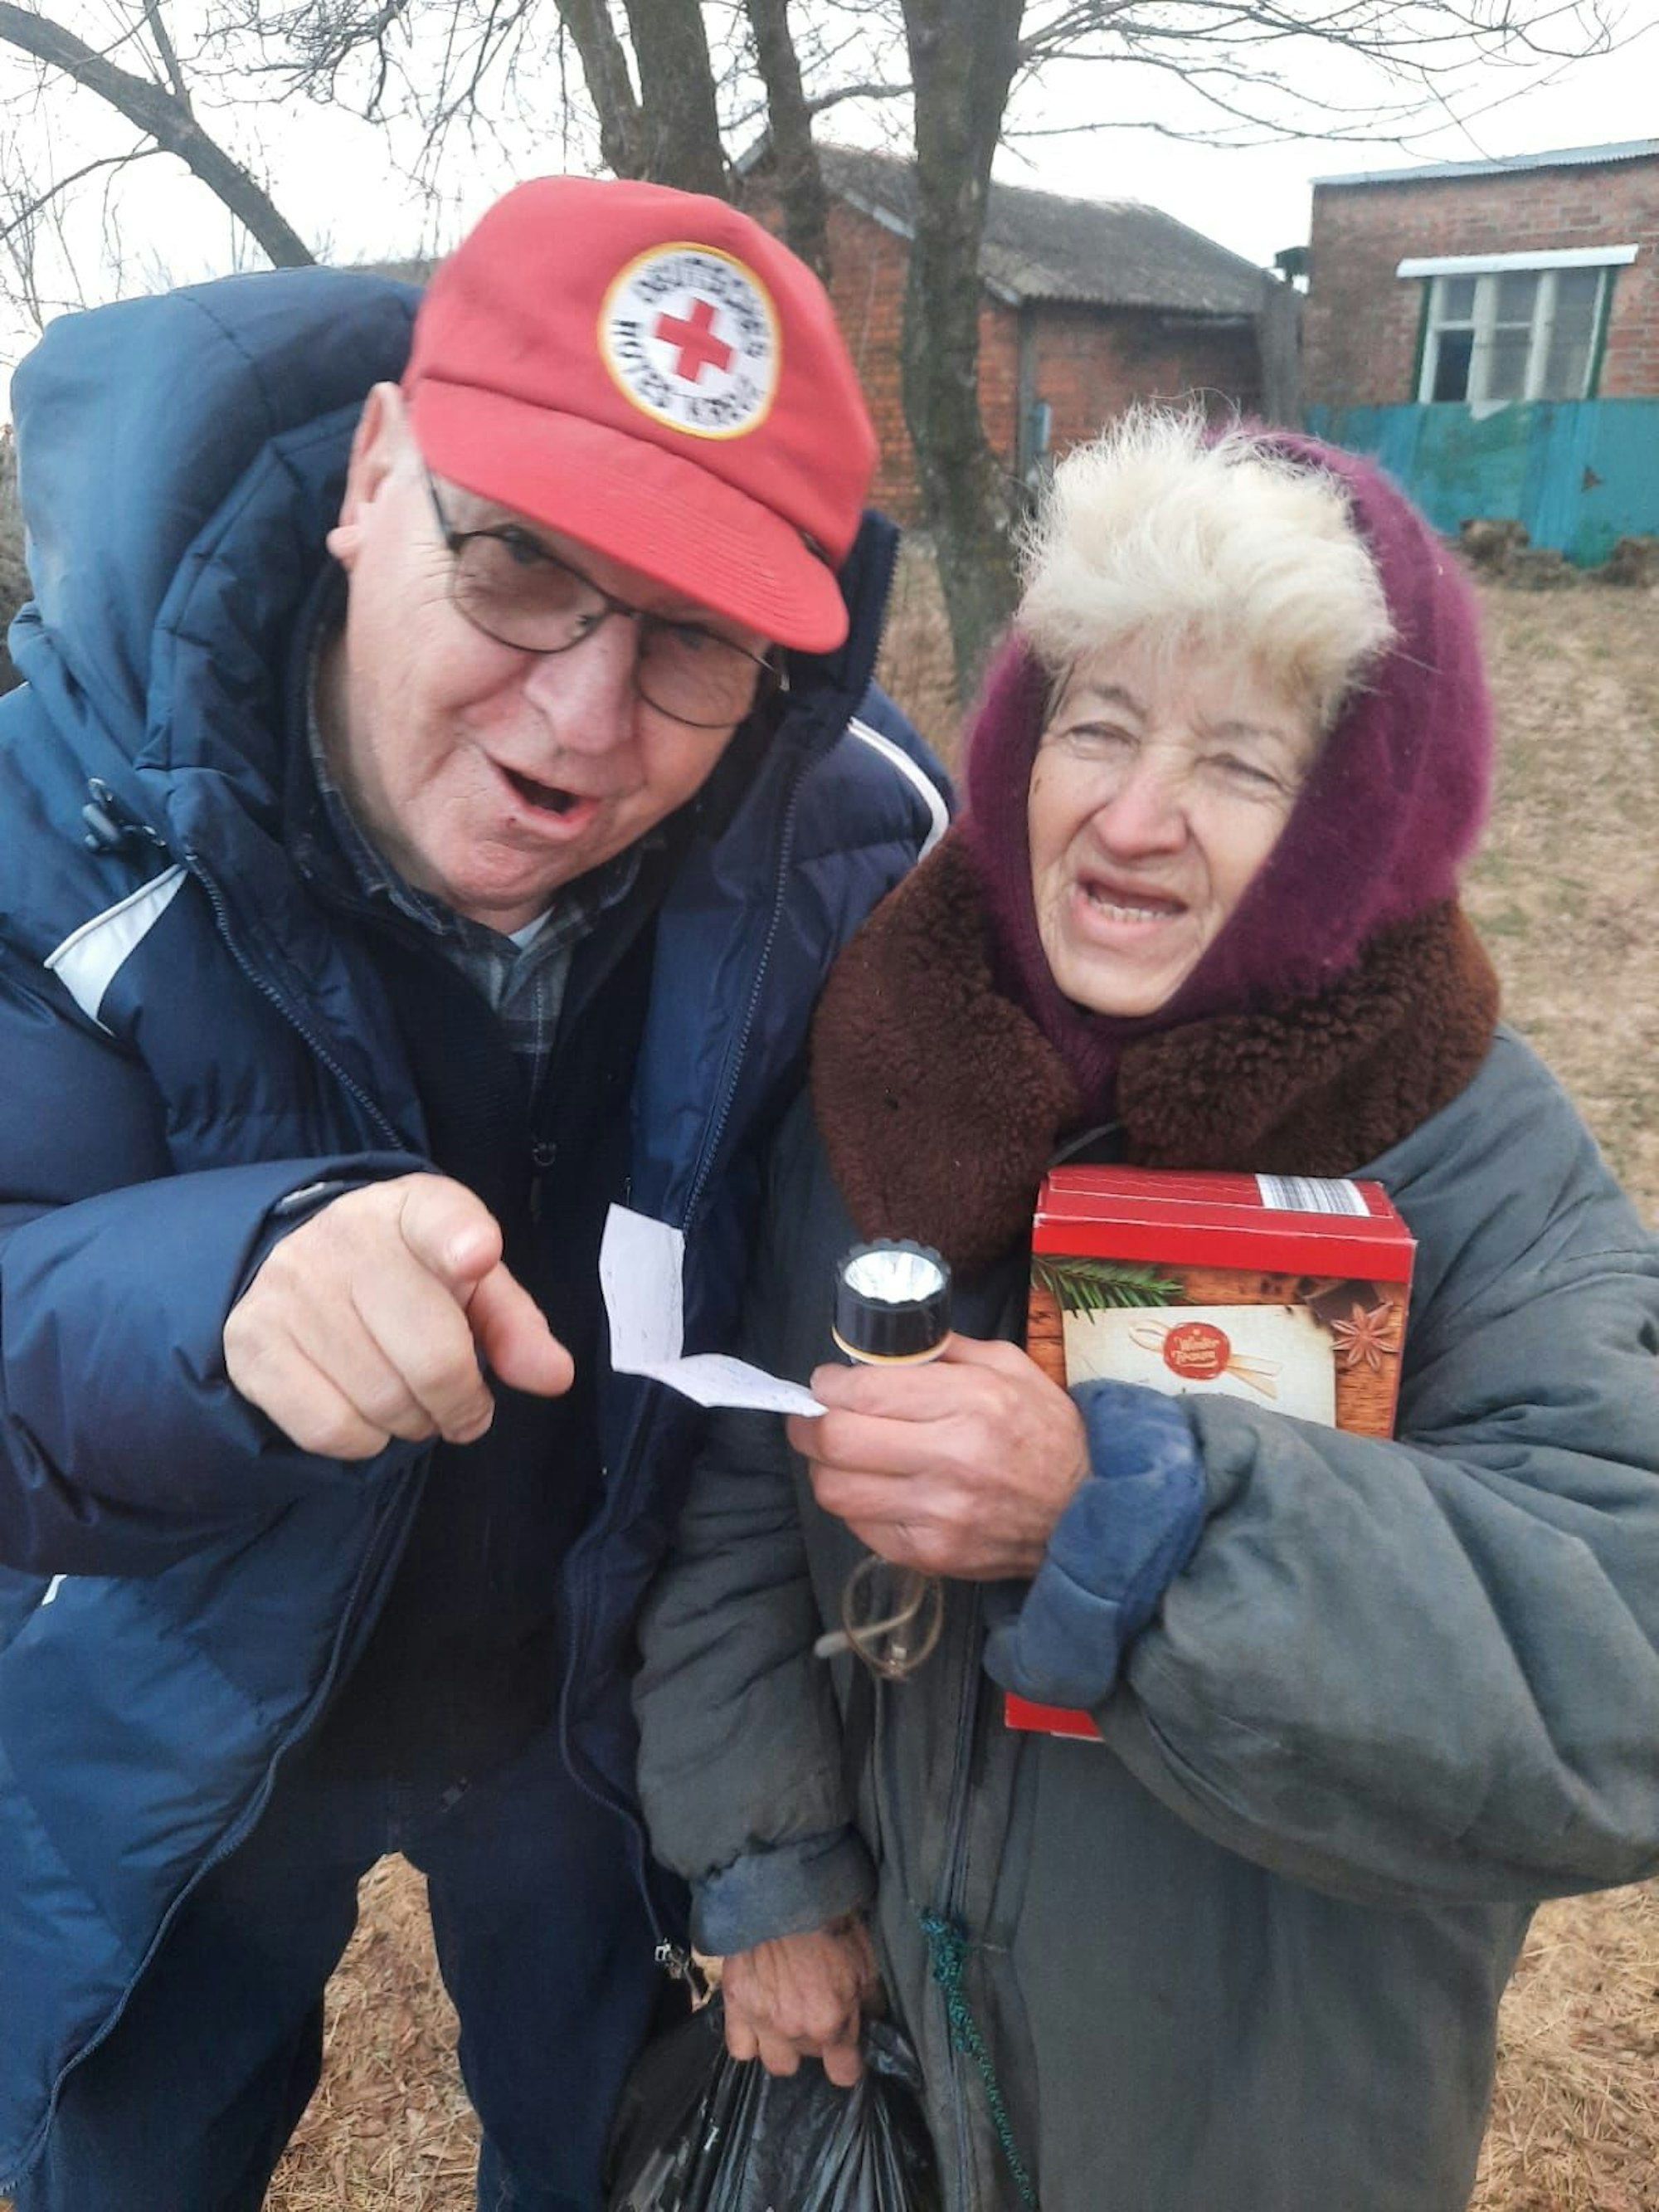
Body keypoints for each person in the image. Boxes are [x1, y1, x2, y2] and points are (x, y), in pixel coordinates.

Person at [0, 176, 946, 2212]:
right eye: (518, 565)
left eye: (690, 638)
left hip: (596, 1714)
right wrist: (226, 1294)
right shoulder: (53, 818)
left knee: (598, 2161)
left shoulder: (864, 849)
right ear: (374, 475)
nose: (582, 717)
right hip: (183, 1699)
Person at [633, 410, 1659, 2211]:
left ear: (1356, 823)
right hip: (903, 2044)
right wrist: (771, 1867)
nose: (1131, 816)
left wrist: (1125, 1518)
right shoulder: (892, 1057)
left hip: (1268, 2103)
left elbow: (1612, 1675)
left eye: (1242, 763)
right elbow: (739, 1483)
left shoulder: (1467, 1146)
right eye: (1096, 726)